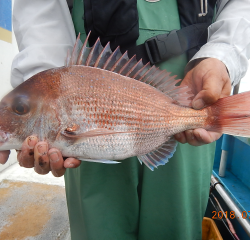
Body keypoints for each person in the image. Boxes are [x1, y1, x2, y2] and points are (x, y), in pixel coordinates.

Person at [0, 0, 250, 239]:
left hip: (191, 82)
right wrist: (41, 72)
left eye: (20, 108)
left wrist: (222, 55)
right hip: (74, 77)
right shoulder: (55, 101)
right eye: (21, 108)